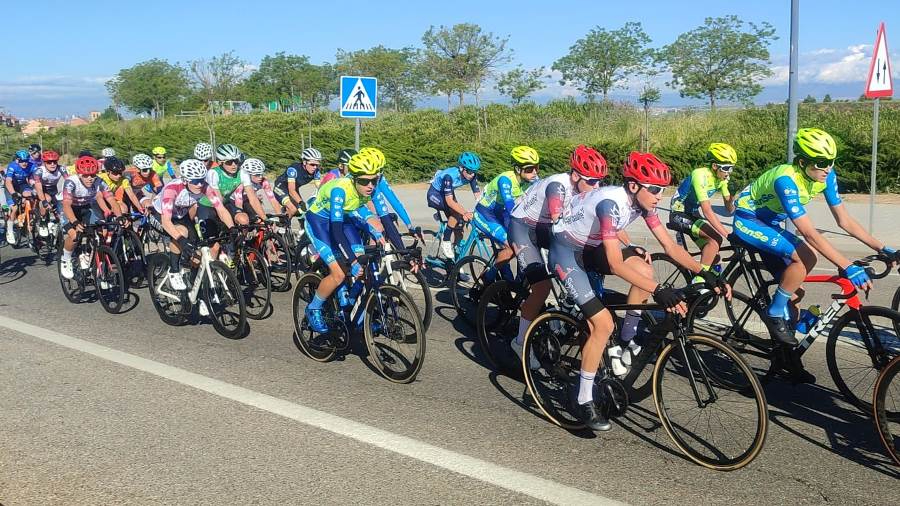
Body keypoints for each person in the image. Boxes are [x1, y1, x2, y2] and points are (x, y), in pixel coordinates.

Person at [551, 151, 717, 430]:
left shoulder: (644, 206)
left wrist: (706, 273)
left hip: (589, 248)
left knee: (644, 268)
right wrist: (660, 291)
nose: (659, 196)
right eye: (654, 189)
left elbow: (670, 247)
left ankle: (628, 336)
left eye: (662, 190)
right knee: (602, 324)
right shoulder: (610, 205)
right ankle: (583, 399)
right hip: (566, 252)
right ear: (633, 186)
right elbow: (615, 264)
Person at [733, 128, 896, 382]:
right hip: (749, 220)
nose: (827, 169)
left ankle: (786, 360)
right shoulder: (786, 180)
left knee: (795, 294)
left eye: (831, 162)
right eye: (821, 163)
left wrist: (881, 247)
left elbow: (844, 221)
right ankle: (773, 313)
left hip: (770, 224)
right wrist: (847, 265)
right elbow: (808, 233)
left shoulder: (826, 177)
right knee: (807, 257)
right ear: (802, 162)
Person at [508, 145, 607, 368]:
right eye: (591, 181)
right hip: (523, 228)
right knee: (542, 288)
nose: (596, 186)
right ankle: (520, 341)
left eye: (600, 181)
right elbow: (556, 217)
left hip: (541, 228)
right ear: (575, 175)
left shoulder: (584, 190)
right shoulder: (558, 185)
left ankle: (562, 310)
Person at [303, 152, 382, 332]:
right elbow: (336, 232)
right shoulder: (339, 190)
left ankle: (351, 308)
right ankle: (313, 308)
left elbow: (359, 207)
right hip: (319, 223)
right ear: (353, 179)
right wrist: (352, 261)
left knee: (363, 267)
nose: (370, 186)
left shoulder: (368, 188)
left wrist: (373, 229)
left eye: (374, 181)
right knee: (339, 273)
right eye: (364, 181)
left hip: (342, 220)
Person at [148, 159, 234, 295]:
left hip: (181, 216)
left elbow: (221, 209)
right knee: (181, 233)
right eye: (195, 181)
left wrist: (232, 228)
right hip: (160, 215)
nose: (199, 184)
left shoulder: (205, 187)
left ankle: (194, 286)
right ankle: (174, 271)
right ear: (185, 180)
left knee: (198, 253)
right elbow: (166, 221)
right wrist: (181, 240)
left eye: (201, 179)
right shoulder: (173, 188)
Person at [472, 145, 540, 286]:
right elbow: (510, 206)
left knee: (526, 245)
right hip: (486, 214)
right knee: (511, 247)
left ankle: (516, 284)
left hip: (501, 215)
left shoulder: (532, 180)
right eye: (529, 169)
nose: (534, 172)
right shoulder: (506, 180)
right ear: (517, 169)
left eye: (536, 168)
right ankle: (488, 277)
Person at [669, 143, 737, 282]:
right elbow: (707, 211)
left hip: (692, 213)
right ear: (714, 166)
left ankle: (709, 286)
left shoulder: (722, 179)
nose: (728, 172)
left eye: (731, 168)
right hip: (678, 213)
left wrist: (732, 195)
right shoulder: (699, 175)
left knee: (715, 258)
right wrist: (728, 235)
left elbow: (729, 210)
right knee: (716, 240)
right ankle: (699, 284)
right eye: (726, 168)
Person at [59, 156, 122, 279]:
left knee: (101, 231)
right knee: (75, 235)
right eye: (86, 175)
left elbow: (112, 200)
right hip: (69, 208)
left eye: (93, 175)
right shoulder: (71, 182)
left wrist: (119, 217)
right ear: (79, 174)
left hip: (86, 207)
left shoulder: (99, 181)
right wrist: (75, 221)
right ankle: (66, 259)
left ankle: (91, 256)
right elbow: (66, 205)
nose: (90, 178)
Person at [197, 144, 249, 261]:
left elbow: (249, 197)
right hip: (208, 206)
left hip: (224, 204)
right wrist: (229, 225)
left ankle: (234, 252)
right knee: (214, 247)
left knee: (244, 221)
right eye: (229, 162)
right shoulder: (213, 173)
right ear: (221, 162)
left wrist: (265, 218)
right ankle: (209, 274)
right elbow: (218, 202)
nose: (234, 165)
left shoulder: (241, 172)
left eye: (236, 161)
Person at [427, 151, 482, 259]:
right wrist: (465, 212)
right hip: (435, 195)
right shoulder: (449, 176)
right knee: (457, 213)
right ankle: (446, 240)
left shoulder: (472, 175)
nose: (472, 175)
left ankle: (456, 262)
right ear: (461, 168)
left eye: (474, 172)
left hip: (448, 193)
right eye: (470, 171)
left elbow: (478, 196)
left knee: (460, 227)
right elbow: (450, 202)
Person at [273, 147, 323, 217]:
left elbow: (320, 187)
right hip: (281, 187)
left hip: (294, 189)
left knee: (301, 212)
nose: (315, 167)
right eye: (312, 164)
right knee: (293, 209)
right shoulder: (293, 169)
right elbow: (291, 190)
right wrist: (301, 203)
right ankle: (285, 225)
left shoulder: (316, 172)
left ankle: (286, 214)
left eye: (317, 165)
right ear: (304, 162)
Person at [233, 157, 282, 222]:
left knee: (260, 221)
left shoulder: (263, 182)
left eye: (261, 174)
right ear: (248, 175)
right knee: (244, 222)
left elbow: (273, 200)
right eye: (257, 175)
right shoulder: (240, 184)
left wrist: (280, 216)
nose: (260, 177)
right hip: (234, 202)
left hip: (248, 200)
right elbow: (238, 204)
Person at [30, 150, 66, 237]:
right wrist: (44, 201)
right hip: (41, 189)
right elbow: (38, 188)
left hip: (53, 189)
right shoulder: (39, 171)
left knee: (60, 209)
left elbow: (68, 180)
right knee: (47, 200)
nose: (52, 164)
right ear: (44, 163)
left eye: (55, 162)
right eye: (49, 162)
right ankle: (42, 221)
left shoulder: (61, 168)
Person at [5, 150, 36, 244]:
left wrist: (35, 187)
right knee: (14, 208)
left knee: (30, 196)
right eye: (22, 161)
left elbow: (36, 178)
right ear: (17, 160)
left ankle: (28, 217)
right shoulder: (12, 166)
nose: (25, 163)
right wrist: (13, 193)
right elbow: (8, 181)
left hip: (22, 185)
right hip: (11, 186)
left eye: (26, 160)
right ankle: (9, 230)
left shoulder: (32, 165)